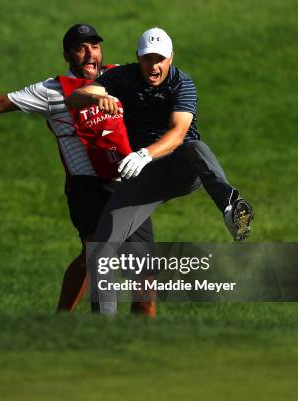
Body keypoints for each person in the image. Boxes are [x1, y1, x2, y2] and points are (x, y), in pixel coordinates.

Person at [0, 24, 156, 316]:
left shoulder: (120, 76)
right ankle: (63, 321)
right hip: (86, 186)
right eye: (80, 48)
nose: (89, 54)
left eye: (94, 46)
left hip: (127, 183)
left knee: (145, 276)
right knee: (95, 253)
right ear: (67, 55)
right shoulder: (52, 90)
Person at [65, 27, 254, 314]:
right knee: (101, 250)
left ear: (170, 58)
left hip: (181, 168)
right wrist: (94, 97)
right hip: (145, 177)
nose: (153, 66)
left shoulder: (182, 83)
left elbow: (179, 133)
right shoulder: (122, 77)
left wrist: (145, 153)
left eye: (160, 59)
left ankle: (231, 207)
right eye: (147, 59)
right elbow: (75, 98)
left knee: (195, 148)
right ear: (137, 58)